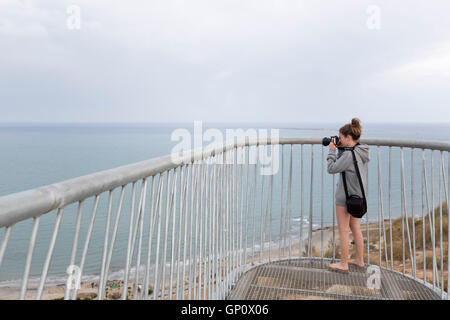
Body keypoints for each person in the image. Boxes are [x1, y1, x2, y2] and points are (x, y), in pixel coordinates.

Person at [326, 118, 370, 272]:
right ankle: (359, 260)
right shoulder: (360, 150)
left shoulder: (349, 155)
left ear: (348, 137)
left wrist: (332, 150)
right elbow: (347, 164)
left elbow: (332, 168)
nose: (339, 140)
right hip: (358, 196)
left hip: (345, 197)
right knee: (355, 228)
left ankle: (343, 263)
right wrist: (340, 149)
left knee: (344, 230)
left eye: (341, 137)